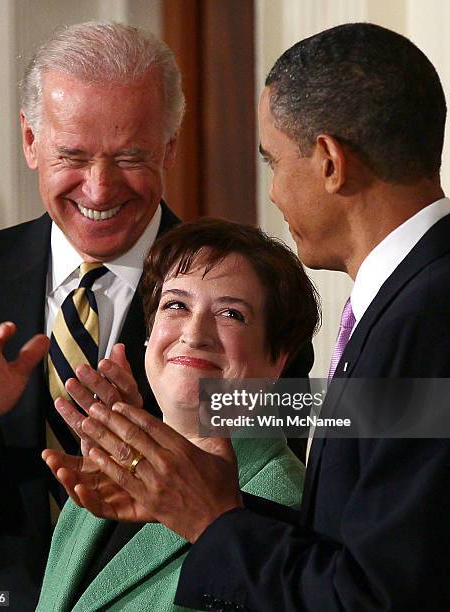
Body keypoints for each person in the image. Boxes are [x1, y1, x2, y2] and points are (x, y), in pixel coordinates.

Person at [55, 23, 450, 611]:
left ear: (329, 161)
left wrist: (213, 521)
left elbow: (382, 598)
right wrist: (181, 484)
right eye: (175, 304)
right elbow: (379, 521)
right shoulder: (413, 295)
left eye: (273, 161)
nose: (273, 194)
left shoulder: (426, 313)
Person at [0, 21, 183, 609]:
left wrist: (151, 441)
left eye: (130, 157)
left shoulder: (245, 294)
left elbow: (276, 478)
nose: (99, 191)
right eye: (72, 157)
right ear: (30, 141)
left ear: (169, 148)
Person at [37, 218, 319, 611]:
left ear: (277, 360)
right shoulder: (104, 471)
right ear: (149, 336)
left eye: (231, 314)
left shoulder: (283, 506)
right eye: (176, 305)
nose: (194, 332)